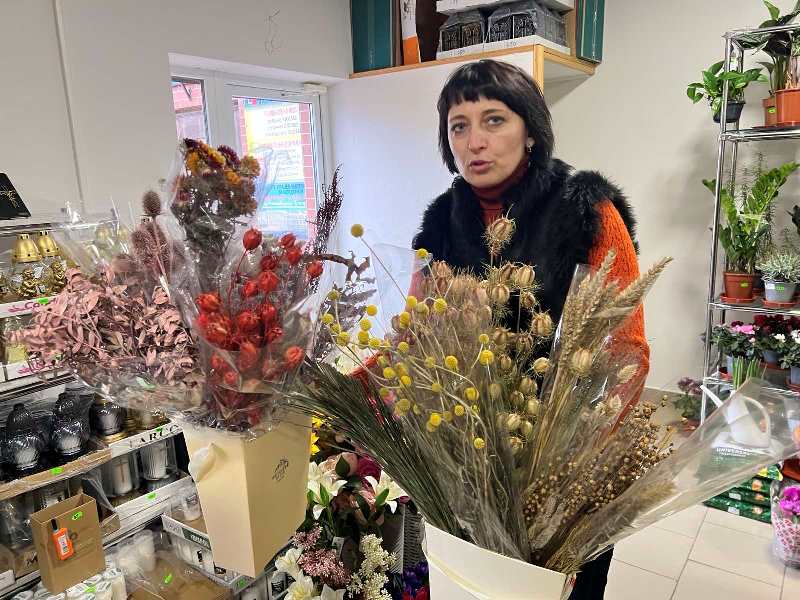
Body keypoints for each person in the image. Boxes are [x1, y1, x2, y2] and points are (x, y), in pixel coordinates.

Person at [411, 59, 649, 600]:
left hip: (566, 470)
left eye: (494, 120)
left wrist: (571, 459)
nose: (475, 141)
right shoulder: (440, 224)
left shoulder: (585, 211)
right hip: (471, 464)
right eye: (458, 126)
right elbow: (415, 337)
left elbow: (627, 352)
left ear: (531, 132)